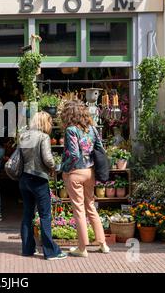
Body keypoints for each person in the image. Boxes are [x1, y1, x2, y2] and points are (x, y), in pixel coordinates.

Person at [60, 100, 110, 257]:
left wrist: (64, 169)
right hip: (89, 172)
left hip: (75, 172)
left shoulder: (71, 130)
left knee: (79, 210)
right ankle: (103, 243)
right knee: (91, 206)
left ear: (69, 114)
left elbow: (74, 155)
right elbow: (100, 149)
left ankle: (82, 248)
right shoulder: (92, 129)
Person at [18, 111, 67, 260]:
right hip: (39, 179)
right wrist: (55, 166)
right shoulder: (43, 137)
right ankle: (51, 252)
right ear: (45, 123)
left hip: (24, 178)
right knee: (45, 215)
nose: (51, 125)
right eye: (50, 122)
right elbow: (48, 159)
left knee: (27, 214)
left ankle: (27, 249)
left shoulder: (24, 135)